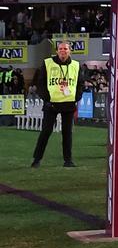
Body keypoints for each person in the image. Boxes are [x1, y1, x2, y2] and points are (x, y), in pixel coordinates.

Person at [31, 40, 84, 168]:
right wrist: (47, 99)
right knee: (46, 132)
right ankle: (37, 159)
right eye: (60, 49)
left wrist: (76, 97)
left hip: (68, 103)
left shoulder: (76, 65)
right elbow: (40, 83)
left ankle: (68, 160)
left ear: (70, 51)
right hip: (51, 104)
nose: (63, 51)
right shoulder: (47, 63)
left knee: (67, 134)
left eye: (65, 49)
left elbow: (80, 84)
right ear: (57, 51)